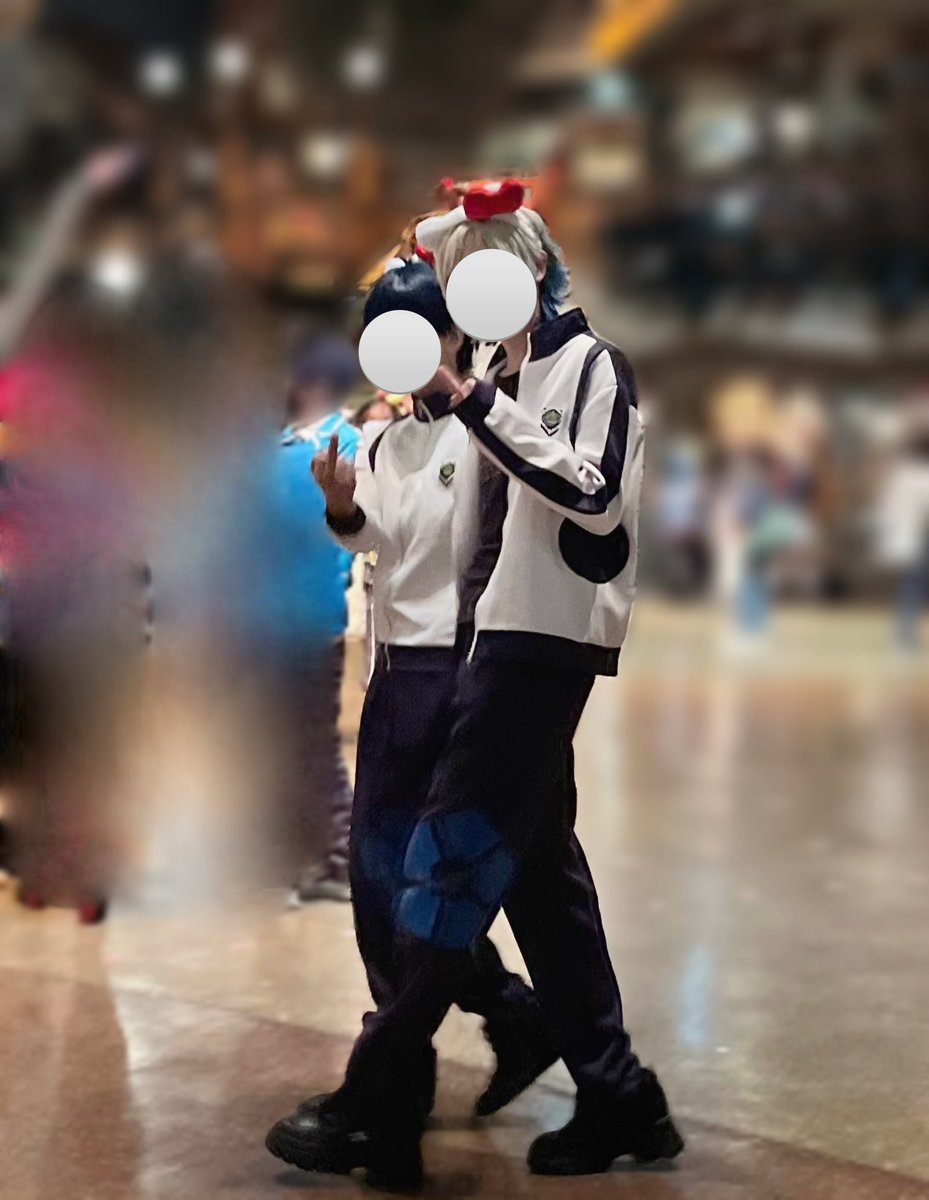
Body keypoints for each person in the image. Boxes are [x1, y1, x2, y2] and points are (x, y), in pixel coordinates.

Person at [266, 187, 681, 1189]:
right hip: (487, 649)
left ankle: (377, 1095)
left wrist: (470, 400)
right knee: (539, 886)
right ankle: (619, 1093)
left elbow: (592, 495)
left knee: (444, 870)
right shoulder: (494, 377)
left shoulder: (586, 366)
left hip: (536, 650)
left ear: (526, 270)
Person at [266, 263, 557, 1177]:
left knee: (431, 889)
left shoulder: (488, 429)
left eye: (415, 330)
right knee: (383, 886)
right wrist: (343, 506)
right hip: (395, 673)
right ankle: (509, 1015)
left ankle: (387, 1100)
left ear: (454, 335)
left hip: (466, 673)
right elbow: (383, 541)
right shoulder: (386, 440)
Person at [277, 336, 362, 904]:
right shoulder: (281, 443)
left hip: (307, 618)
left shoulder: (341, 442)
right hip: (268, 620)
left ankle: (336, 857)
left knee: (309, 743)